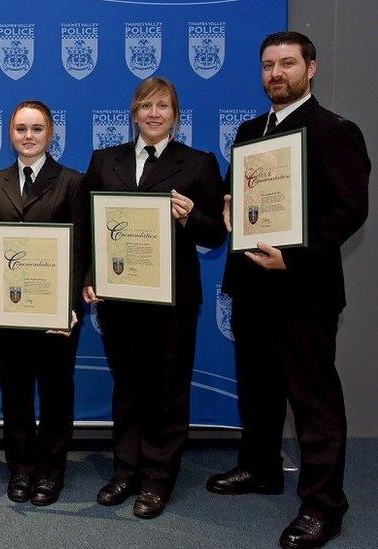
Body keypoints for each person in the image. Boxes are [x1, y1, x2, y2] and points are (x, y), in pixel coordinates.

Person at [207, 31, 370, 549]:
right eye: (269, 66)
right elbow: (243, 197)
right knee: (258, 390)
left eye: (287, 64)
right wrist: (229, 204)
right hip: (253, 285)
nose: (276, 74)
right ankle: (260, 469)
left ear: (311, 68)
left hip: (304, 289)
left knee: (313, 399)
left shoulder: (334, 131)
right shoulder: (251, 130)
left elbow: (348, 209)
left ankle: (325, 506)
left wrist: (293, 258)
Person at [82, 77, 226, 518]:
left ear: (176, 115)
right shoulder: (106, 160)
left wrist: (192, 216)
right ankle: (126, 470)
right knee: (127, 385)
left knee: (167, 387)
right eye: (146, 106)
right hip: (120, 296)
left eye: (163, 106)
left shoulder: (199, 164)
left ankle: (158, 477)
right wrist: (88, 275)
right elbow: (88, 225)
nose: (154, 114)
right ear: (134, 113)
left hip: (173, 299)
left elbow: (216, 233)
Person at [0, 100, 88, 506]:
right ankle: (20, 467)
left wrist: (72, 304)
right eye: (20, 128)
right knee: (15, 392)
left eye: (36, 129)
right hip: (9, 306)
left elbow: (81, 249)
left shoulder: (73, 181)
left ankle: (51, 471)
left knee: (57, 392)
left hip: (57, 310)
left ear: (51, 134)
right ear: (10, 134)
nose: (28, 136)